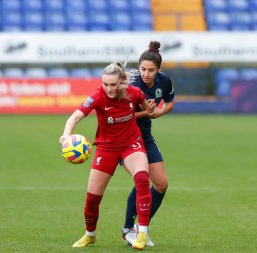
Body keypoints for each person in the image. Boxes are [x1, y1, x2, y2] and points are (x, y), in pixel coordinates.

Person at [59, 61, 156, 250]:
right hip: (106, 148)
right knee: (93, 198)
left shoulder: (133, 93)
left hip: (131, 144)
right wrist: (66, 134)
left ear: (121, 82)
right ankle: (90, 235)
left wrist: (148, 111)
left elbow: (145, 107)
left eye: (113, 84)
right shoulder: (98, 96)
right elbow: (76, 115)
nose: (109, 89)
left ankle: (142, 233)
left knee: (143, 178)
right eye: (105, 84)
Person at [121, 41, 175, 246]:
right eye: (142, 69)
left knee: (161, 184)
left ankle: (139, 228)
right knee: (141, 178)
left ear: (158, 70)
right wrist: (147, 113)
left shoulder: (164, 81)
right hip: (125, 138)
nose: (145, 74)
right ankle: (128, 227)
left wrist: (160, 111)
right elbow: (121, 116)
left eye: (150, 70)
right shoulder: (131, 85)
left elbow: (170, 101)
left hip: (145, 136)